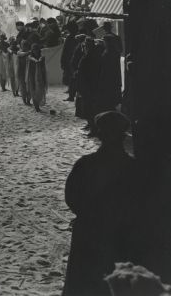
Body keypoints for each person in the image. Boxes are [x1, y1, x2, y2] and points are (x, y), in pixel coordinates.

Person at [63, 111, 136, 296]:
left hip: (88, 233)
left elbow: (71, 197)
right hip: (121, 236)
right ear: (123, 136)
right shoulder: (133, 168)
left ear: (100, 135)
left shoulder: (85, 164)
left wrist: (87, 215)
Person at [76, 37, 102, 135]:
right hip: (87, 85)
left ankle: (93, 129)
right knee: (87, 107)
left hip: (88, 86)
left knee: (89, 108)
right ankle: (91, 126)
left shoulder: (90, 57)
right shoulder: (91, 55)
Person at [26, 43, 48, 112]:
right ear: (32, 51)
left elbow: (42, 59)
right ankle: (36, 106)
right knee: (33, 90)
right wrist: (36, 60)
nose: (35, 51)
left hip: (40, 76)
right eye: (34, 50)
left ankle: (36, 104)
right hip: (31, 75)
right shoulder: (30, 56)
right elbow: (31, 58)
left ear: (39, 50)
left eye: (36, 50)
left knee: (40, 90)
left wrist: (39, 60)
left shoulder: (42, 57)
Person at [61, 22, 79, 101]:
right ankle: (73, 94)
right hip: (76, 61)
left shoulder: (70, 38)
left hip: (70, 61)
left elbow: (65, 51)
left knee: (71, 78)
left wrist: (63, 61)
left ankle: (71, 95)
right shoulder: (78, 37)